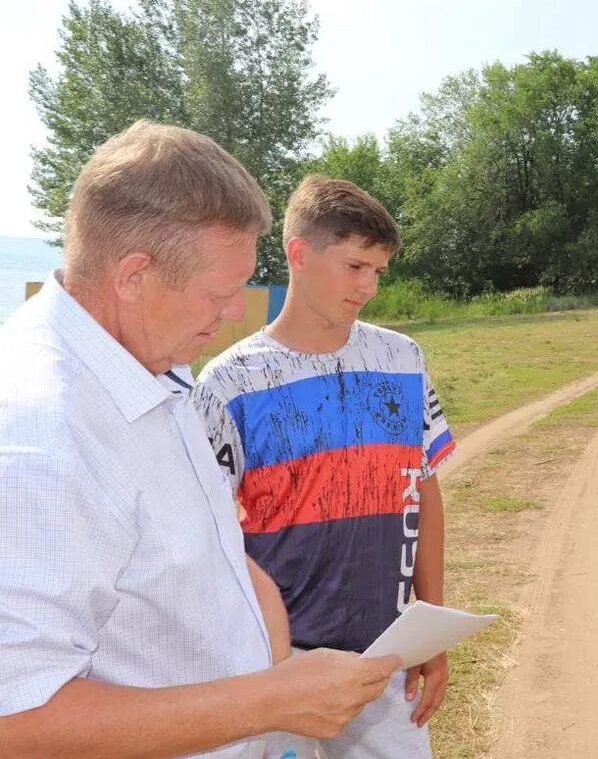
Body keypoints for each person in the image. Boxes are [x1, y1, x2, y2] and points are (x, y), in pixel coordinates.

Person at [0, 122, 401, 757]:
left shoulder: (147, 359)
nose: (236, 312)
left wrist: (262, 625)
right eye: (220, 292)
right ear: (134, 276)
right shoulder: (43, 445)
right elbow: (16, 721)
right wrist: (273, 701)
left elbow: (188, 542)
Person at [193, 175, 456, 758]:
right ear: (299, 253)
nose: (369, 287)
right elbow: (205, 536)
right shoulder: (227, 384)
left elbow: (425, 492)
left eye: (379, 272)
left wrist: (431, 631)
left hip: (384, 654)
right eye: (356, 266)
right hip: (274, 667)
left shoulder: (402, 359)